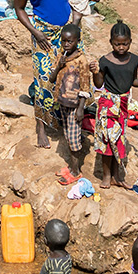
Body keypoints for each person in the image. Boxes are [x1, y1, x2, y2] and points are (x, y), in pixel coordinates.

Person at [12, 0, 72, 150]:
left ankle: (64, 120)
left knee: (68, 77)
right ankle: (41, 127)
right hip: (43, 36)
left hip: (66, 35)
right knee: (44, 80)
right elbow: (18, 9)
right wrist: (35, 32)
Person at [92, 21, 138, 187]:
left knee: (119, 140)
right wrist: (95, 71)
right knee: (107, 140)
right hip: (108, 104)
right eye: (117, 44)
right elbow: (98, 84)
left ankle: (117, 176)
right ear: (111, 42)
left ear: (130, 42)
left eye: (124, 44)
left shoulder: (134, 59)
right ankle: (106, 175)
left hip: (123, 104)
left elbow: (133, 79)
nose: (121, 47)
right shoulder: (105, 61)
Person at [52, 23, 89, 179]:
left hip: (74, 106)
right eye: (63, 41)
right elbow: (52, 78)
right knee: (68, 135)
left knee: (73, 140)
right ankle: (71, 166)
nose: (66, 44)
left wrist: (81, 108)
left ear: (78, 41)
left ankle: (76, 171)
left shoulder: (82, 61)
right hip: (63, 103)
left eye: (70, 41)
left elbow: (85, 87)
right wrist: (59, 66)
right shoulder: (61, 57)